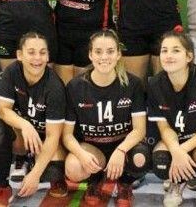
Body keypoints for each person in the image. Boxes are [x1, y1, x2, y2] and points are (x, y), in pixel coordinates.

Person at [64, 30, 150, 207]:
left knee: (140, 158)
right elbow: (66, 135)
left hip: (123, 146)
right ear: (90, 54)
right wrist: (81, 155)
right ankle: (94, 181)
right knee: (73, 167)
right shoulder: (76, 86)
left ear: (118, 54)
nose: (104, 57)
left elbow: (140, 129)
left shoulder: (132, 84)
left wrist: (121, 150)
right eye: (98, 52)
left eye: (110, 51)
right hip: (93, 147)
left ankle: (124, 184)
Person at [0, 32, 67, 207]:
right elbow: (2, 110)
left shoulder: (55, 86)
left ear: (48, 56)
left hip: (44, 139)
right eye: (31, 52)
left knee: (53, 172)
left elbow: (53, 136)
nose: (37, 58)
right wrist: (25, 125)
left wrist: (35, 175)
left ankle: (40, 169)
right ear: (20, 55)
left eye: (42, 52)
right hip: (23, 136)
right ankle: (3, 186)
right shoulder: (12, 71)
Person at [148, 31, 196, 207]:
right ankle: (176, 183)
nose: (168, 55)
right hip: (175, 139)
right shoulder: (155, 83)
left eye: (176, 50)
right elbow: (164, 127)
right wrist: (175, 150)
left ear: (189, 56)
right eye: (164, 50)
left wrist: (183, 150)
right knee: (161, 157)